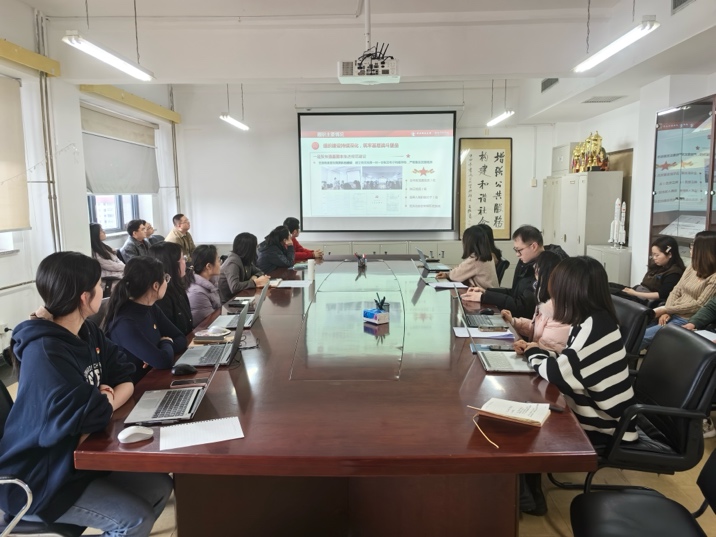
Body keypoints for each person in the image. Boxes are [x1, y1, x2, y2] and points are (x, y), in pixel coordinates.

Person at [0, 251, 173, 535]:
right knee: (136, 518)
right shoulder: (45, 352)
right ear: (84, 297)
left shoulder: (87, 331)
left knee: (160, 486)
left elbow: (125, 374)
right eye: (100, 285)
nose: (104, 290)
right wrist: (102, 400)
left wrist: (105, 398)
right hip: (43, 477)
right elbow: (91, 415)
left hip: (75, 461)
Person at [520, 256, 637, 516]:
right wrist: (538, 351)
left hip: (606, 423)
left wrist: (533, 353)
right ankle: (528, 488)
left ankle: (528, 495)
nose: (553, 296)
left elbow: (557, 373)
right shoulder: (592, 320)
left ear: (570, 291)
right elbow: (570, 362)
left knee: (525, 419)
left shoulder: (595, 326)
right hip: (599, 409)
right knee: (529, 405)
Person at [103, 256, 187, 384]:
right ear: (156, 286)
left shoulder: (150, 308)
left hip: (154, 378)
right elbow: (163, 361)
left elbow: (180, 338)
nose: (167, 282)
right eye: (165, 278)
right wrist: (165, 344)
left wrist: (158, 351)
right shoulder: (124, 322)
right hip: (135, 388)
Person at [463, 225, 568, 318]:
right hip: (518, 319)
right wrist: (486, 292)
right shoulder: (526, 261)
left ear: (534, 246)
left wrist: (485, 297)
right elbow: (515, 292)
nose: (517, 254)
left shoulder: (545, 267)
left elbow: (523, 306)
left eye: (519, 250)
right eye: (515, 250)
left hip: (528, 321)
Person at [640, 231, 716, 350]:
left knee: (642, 337)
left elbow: (699, 305)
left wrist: (667, 309)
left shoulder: (714, 277)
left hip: (686, 318)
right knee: (636, 330)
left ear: (703, 250)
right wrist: (667, 311)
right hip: (671, 311)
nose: (691, 248)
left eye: (693, 245)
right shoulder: (692, 266)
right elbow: (676, 289)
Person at [502, 250, 569, 354]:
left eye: (537, 272)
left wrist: (527, 347)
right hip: (536, 357)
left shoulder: (559, 310)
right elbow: (536, 329)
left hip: (542, 360)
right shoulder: (546, 302)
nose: (535, 283)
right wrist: (513, 322)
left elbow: (550, 350)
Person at [615, 235, 684, 305]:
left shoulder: (674, 273)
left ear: (669, 254)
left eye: (657, 255)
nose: (654, 258)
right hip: (639, 291)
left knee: (612, 293)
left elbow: (662, 294)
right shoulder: (659, 266)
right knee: (610, 286)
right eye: (653, 255)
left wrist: (635, 293)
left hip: (646, 300)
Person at [148, 241, 194, 335]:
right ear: (171, 264)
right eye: (183, 258)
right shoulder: (161, 297)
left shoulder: (178, 287)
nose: (185, 262)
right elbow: (170, 334)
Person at [219, 232, 270, 302]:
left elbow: (260, 272)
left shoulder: (245, 260)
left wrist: (255, 276)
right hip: (228, 302)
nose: (256, 249)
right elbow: (235, 287)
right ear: (248, 249)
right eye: (255, 247)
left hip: (241, 297)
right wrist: (255, 282)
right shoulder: (233, 262)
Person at [186, 244, 221, 327]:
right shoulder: (197, 293)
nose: (220, 264)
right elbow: (208, 324)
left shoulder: (211, 283)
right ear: (208, 266)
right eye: (218, 260)